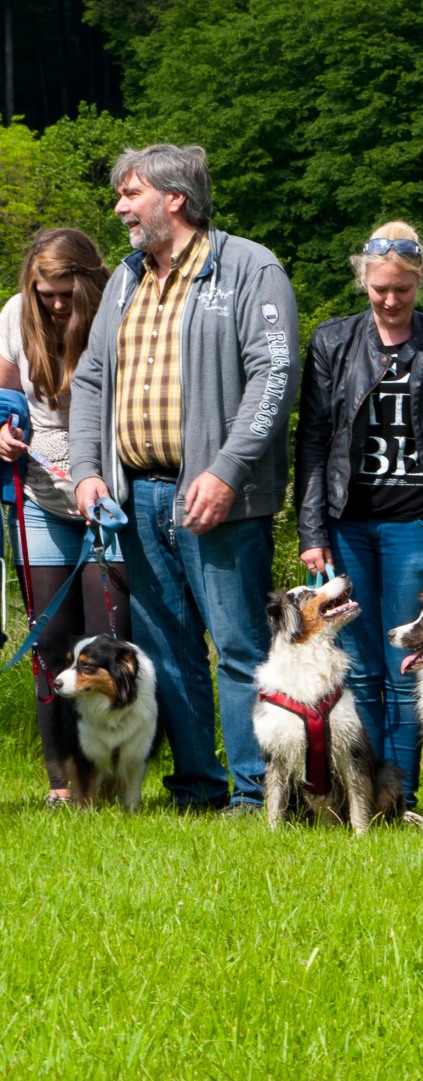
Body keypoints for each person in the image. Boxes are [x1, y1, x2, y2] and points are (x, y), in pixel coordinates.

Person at [69, 144, 300, 814]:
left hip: (219, 498)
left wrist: (226, 471)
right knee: (166, 650)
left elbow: (273, 378)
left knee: (236, 645)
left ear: (174, 198)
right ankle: (198, 786)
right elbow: (90, 381)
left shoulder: (250, 267)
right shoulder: (123, 279)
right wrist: (87, 473)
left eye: (130, 194)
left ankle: (259, 792)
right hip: (136, 496)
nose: (119, 209)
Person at [295, 221, 423, 819]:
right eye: (380, 288)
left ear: (419, 280)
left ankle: (401, 797)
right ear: (364, 281)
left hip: (418, 522)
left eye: (402, 288)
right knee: (364, 666)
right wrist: (312, 531)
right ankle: (365, 793)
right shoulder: (331, 343)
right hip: (348, 521)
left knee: (408, 663)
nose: (390, 299)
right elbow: (315, 441)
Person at [0, 228, 131, 808]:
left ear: (88, 282)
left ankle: (112, 779)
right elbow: (4, 398)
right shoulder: (13, 315)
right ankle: (63, 785)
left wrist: (94, 476)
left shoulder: (118, 308)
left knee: (108, 641)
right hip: (38, 495)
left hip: (106, 492)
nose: (55, 305)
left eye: (64, 294)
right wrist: (3, 430)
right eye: (44, 293)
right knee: (50, 643)